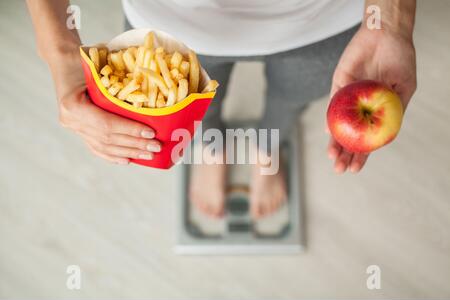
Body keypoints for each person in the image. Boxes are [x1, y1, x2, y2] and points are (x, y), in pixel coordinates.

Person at [26, 0, 417, 218]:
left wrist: (393, 20)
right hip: (168, 25)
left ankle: (267, 149)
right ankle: (212, 150)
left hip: (326, 21)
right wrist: (61, 53)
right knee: (191, 111)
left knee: (293, 97)